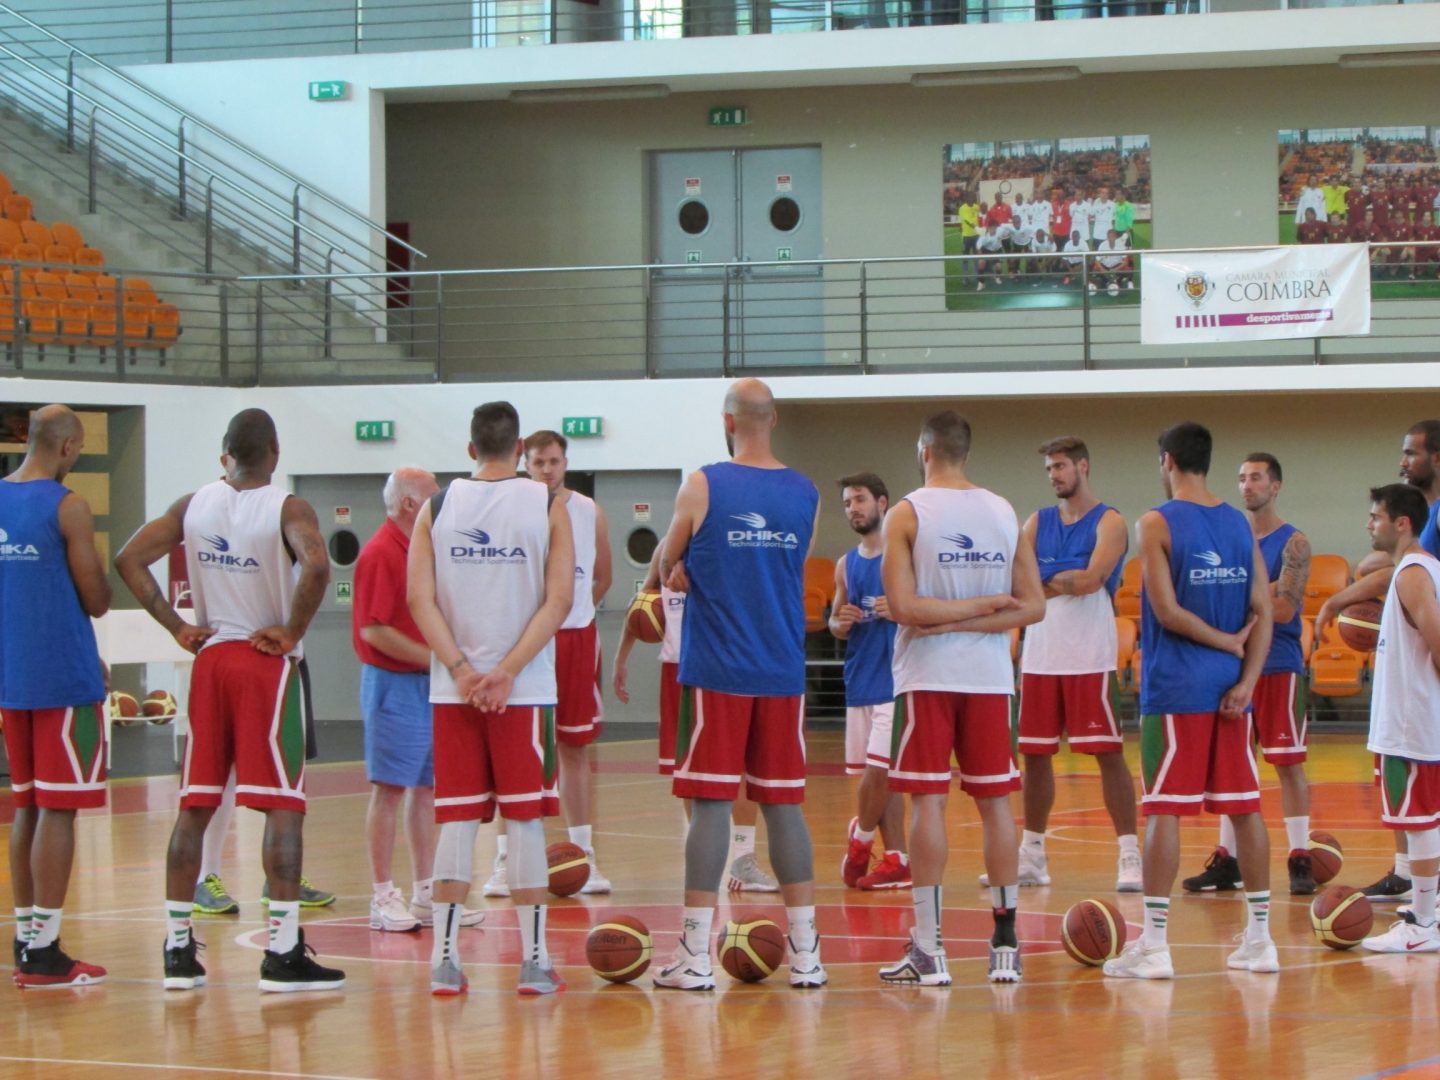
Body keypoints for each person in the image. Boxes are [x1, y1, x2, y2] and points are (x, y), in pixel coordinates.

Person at [115, 408, 344, 993]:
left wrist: (175, 626)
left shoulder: (193, 505)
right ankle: (284, 953)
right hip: (263, 661)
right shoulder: (287, 507)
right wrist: (291, 631)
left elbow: (129, 558)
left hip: (211, 658)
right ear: (274, 451)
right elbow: (318, 564)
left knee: (195, 804)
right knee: (283, 806)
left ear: (225, 453)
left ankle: (176, 953)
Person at [652, 378, 826, 991]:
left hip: (719, 668)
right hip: (782, 668)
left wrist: (674, 572)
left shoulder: (702, 483)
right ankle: (807, 955)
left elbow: (665, 561)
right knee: (785, 806)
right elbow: (787, 565)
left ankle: (695, 955)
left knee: (711, 805)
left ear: (728, 422)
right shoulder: (806, 492)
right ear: (772, 420)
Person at [406, 401, 574, 996]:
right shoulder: (549, 503)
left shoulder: (436, 506)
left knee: (456, 821)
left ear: (471, 447)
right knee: (523, 821)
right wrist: (503, 672)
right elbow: (557, 603)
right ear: (519, 445)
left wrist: (460, 668)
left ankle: (445, 964)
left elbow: (418, 600)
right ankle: (533, 961)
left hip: (453, 692)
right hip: (523, 691)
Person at [1104, 422, 1276, 981]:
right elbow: (1264, 610)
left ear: (1168, 460)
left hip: (1178, 687)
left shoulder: (1155, 521)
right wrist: (1247, 678)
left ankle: (1154, 946)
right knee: (1245, 807)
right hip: (1232, 688)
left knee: (1164, 809)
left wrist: (1224, 641)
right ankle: (1260, 939)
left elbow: (1168, 609)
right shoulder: (1237, 523)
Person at [879, 411, 1045, 987]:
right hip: (990, 679)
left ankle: (929, 948)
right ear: (965, 452)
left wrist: (944, 621)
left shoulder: (907, 511)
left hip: (927, 677)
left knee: (927, 804)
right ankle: (1005, 942)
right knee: (995, 805)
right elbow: (1031, 605)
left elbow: (904, 608)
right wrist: (981, 609)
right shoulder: (1003, 511)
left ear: (924, 450)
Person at [1, 404, 110, 988]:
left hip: (11, 677)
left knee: (27, 806)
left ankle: (27, 937)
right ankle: (44, 949)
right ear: (67, 447)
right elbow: (95, 597)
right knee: (59, 808)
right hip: (63, 677)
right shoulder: (68, 506)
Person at [353, 467, 482, 932]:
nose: (440, 499)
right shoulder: (381, 553)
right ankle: (381, 894)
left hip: (428, 685)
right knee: (389, 789)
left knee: (428, 789)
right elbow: (373, 629)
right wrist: (438, 659)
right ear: (409, 503)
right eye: (432, 494)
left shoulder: (424, 548)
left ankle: (426, 891)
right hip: (393, 683)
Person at [484, 431, 613, 898]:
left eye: (555, 462)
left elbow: (604, 576)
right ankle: (504, 858)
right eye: (539, 462)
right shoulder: (512, 508)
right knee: (513, 745)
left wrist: (570, 610)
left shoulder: (588, 511)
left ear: (565, 462)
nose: (547, 470)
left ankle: (585, 853)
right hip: (524, 640)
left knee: (576, 748)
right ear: (525, 461)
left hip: (577, 635)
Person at [1317, 420, 1440, 902]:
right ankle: (1412, 882)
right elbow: (1377, 567)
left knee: (1421, 811)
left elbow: (1392, 574)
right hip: (1409, 707)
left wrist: (1339, 597)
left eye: (1412, 452)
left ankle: (1424, 913)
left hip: (1416, 710)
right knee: (1417, 809)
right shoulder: (1415, 551)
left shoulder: (1416, 565)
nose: (1404, 460)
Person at [1183, 453, 1317, 896]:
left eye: (1256, 478)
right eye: (1241, 478)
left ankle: (1300, 855)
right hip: (1232, 665)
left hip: (1278, 664)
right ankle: (1228, 860)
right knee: (1232, 765)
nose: (1246, 485)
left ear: (1275, 485)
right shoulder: (1230, 537)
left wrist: (1241, 591)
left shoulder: (1293, 541)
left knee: (1288, 762)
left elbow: (1280, 609)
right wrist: (1261, 588)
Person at [1010, 436, 1139, 893]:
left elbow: (1091, 579)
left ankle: (1129, 855)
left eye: (1061, 466)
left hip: (1090, 651)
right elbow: (1019, 583)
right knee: (1035, 755)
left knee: (1108, 753)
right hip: (1042, 651)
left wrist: (1049, 580)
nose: (1054, 476)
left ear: (1083, 466)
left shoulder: (1111, 521)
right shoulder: (1036, 522)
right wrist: (1058, 580)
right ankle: (1032, 855)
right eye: (1049, 469)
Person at [612, 547, 779, 892]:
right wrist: (621, 659)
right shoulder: (665, 549)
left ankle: (743, 859)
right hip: (677, 673)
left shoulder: (728, 547)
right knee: (689, 772)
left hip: (721, 670)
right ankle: (702, 856)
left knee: (741, 768)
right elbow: (641, 605)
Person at [1359, 483, 1440, 953]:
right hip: (1415, 719)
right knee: (1426, 820)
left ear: (1402, 523)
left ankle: (1422, 923)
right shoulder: (1417, 569)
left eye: (1376, 516)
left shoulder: (1412, 573)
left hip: (1412, 722)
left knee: (1420, 820)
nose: (1370, 524)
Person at [832, 472, 910, 892]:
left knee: (878, 773)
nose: (853, 509)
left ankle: (861, 840)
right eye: (847, 503)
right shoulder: (846, 563)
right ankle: (897, 858)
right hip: (859, 676)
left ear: (883, 502)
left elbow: (925, 608)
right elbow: (834, 620)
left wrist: (901, 608)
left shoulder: (903, 555)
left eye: (859, 500)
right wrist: (839, 622)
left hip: (897, 678)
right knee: (883, 779)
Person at [1092, 229, 1134, 294]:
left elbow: (1125, 262)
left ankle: (1128, 281)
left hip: (1116, 265)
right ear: (1107, 237)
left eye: (1112, 237)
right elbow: (1097, 261)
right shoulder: (1102, 245)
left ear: (1115, 237)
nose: (1111, 238)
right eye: (1109, 237)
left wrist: (1115, 269)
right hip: (1105, 266)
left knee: (1130, 266)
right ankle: (1108, 281)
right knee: (1095, 269)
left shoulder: (1121, 245)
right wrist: (1103, 269)